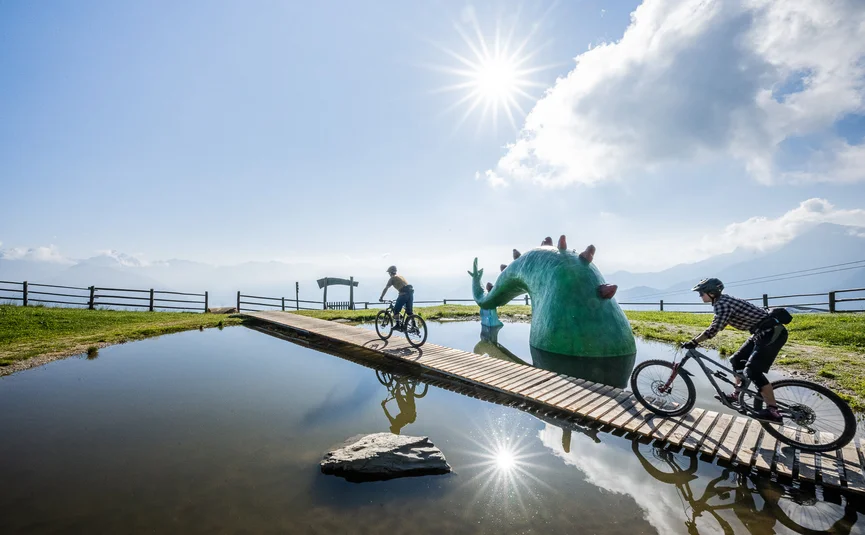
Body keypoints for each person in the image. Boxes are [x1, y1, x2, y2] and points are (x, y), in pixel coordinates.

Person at [682, 278, 788, 423]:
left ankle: (773, 410)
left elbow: (714, 329)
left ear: (712, 293)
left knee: (753, 370)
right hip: (760, 333)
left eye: (701, 293)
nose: (700, 296)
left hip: (772, 333)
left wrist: (694, 342)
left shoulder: (722, 305)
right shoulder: (723, 301)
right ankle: (737, 394)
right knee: (736, 360)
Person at [379, 265, 414, 330]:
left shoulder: (392, 278)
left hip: (403, 295)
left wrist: (381, 297)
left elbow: (386, 288)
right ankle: (414, 326)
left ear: (390, 273)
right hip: (410, 293)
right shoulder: (401, 276)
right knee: (409, 312)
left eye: (389, 273)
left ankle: (398, 325)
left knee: (396, 310)